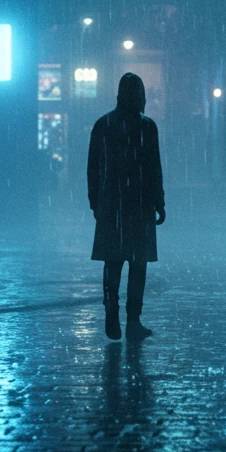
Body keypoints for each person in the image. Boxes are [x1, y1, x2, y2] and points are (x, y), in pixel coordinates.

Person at [87, 72, 165, 341]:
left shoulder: (103, 125)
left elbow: (93, 168)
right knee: (138, 263)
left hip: (111, 202)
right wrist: (159, 202)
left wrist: (95, 201)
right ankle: (133, 319)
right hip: (139, 203)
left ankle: (111, 309)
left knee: (113, 261)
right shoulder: (147, 127)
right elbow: (154, 169)